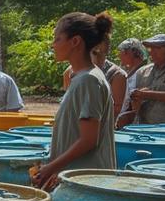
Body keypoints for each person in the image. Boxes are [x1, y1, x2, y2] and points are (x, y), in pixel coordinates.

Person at [32, 13, 117, 190]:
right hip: (76, 178)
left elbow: (88, 140)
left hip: (86, 182)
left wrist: (50, 168)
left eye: (57, 39)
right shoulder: (80, 77)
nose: (53, 44)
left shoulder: (89, 80)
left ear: (75, 41)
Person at [115, 38, 147, 128]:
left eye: (121, 52)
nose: (119, 55)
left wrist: (126, 116)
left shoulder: (144, 72)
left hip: (132, 123)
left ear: (129, 52)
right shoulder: (128, 72)